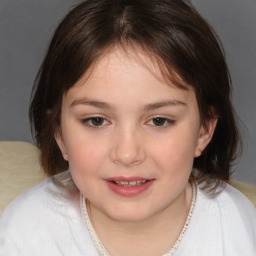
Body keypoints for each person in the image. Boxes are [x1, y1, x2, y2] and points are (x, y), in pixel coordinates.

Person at [0, 0, 255, 255]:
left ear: (204, 131)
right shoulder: (25, 233)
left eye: (159, 121)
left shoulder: (237, 230)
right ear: (59, 133)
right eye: (96, 121)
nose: (127, 154)